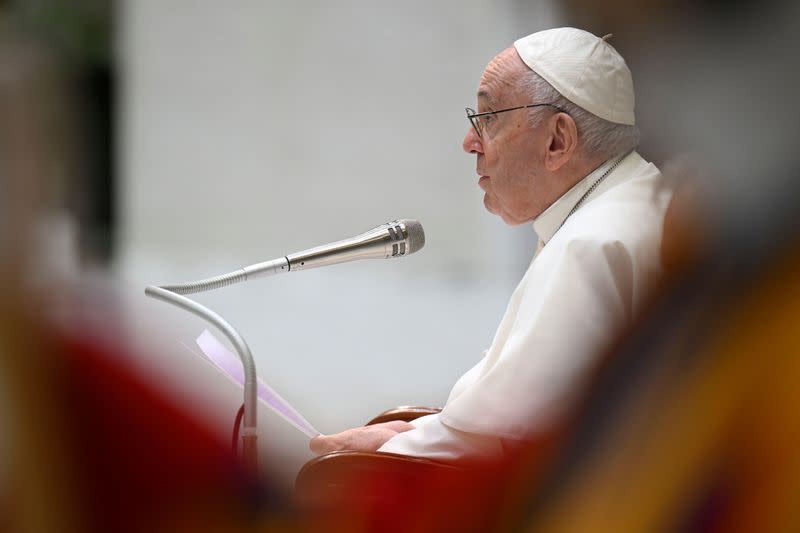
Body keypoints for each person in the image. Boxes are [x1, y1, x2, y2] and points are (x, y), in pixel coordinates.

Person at [310, 27, 673, 460]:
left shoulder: (592, 242)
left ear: (557, 141)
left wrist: (377, 455)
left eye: (488, 119)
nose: (470, 143)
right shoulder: (637, 202)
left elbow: (517, 440)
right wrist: (412, 433)